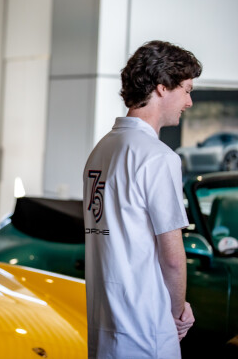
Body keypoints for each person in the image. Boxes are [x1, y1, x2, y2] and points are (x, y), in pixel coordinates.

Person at [82, 40, 201, 358]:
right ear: (163, 86)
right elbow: (172, 257)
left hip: (104, 331)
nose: (189, 102)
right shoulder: (158, 157)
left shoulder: (100, 151)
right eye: (186, 90)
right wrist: (177, 313)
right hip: (146, 333)